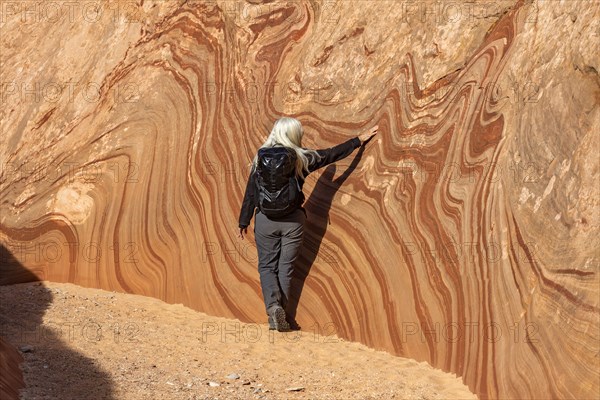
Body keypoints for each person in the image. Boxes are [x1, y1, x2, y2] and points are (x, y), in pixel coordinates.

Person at [237, 117, 378, 331]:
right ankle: (280, 314)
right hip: (293, 221)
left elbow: (251, 191)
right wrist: (358, 140)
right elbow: (332, 154)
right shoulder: (300, 158)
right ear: (294, 135)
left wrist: (244, 219)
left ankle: (274, 308)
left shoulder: (260, 158)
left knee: (267, 266)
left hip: (266, 220)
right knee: (285, 267)